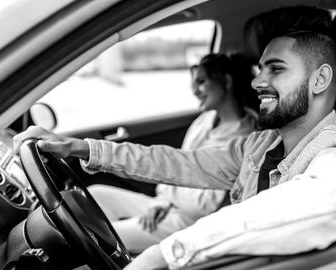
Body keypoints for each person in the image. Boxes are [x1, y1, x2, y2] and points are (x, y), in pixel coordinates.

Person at [13, 5, 336, 270]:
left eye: (276, 69)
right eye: (259, 68)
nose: (256, 82)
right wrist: (81, 148)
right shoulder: (259, 145)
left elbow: (323, 200)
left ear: (319, 80)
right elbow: (176, 162)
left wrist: (167, 253)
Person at [83, 52, 260, 253]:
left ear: (226, 81)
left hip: (189, 222)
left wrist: (168, 195)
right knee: (95, 194)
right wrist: (162, 202)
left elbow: (203, 205)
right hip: (168, 205)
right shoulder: (204, 120)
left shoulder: (244, 136)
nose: (195, 91)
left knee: (104, 235)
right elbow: (177, 164)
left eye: (201, 82)